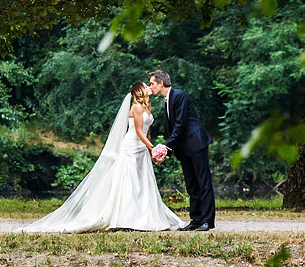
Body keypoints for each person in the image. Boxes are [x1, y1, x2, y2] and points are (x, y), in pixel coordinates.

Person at [23, 82, 185, 233]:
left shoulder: (148, 108)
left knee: (143, 182)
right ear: (140, 92)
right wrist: (153, 147)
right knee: (129, 181)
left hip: (142, 149)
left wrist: (150, 152)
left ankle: (143, 215)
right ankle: (125, 218)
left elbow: (147, 131)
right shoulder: (135, 108)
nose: (149, 87)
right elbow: (137, 132)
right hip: (131, 147)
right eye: (146, 86)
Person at [149, 70, 215, 231]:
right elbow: (174, 129)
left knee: (203, 182)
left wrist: (165, 147)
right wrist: (168, 151)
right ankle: (196, 220)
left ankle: (207, 221)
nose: (150, 87)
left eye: (152, 83)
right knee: (191, 184)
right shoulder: (167, 100)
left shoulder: (179, 95)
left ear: (160, 83)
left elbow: (180, 124)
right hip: (184, 148)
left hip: (196, 143)